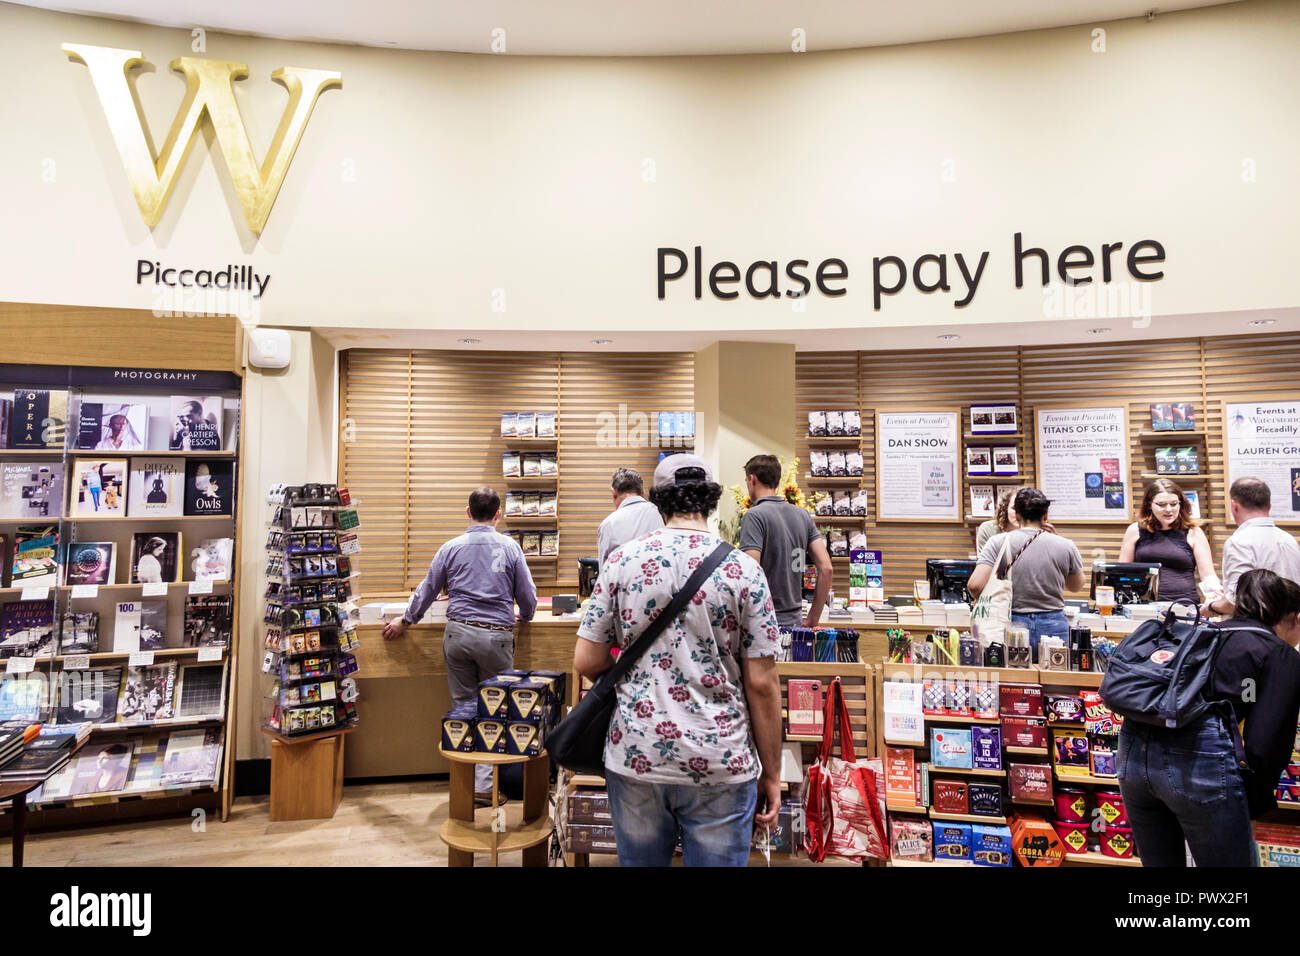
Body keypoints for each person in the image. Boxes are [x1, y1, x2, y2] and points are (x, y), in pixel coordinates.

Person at [573, 453, 782, 867]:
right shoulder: (743, 570)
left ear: (658, 502)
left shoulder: (621, 562)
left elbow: (586, 659)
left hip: (638, 753)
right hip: (722, 757)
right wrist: (772, 774)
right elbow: (762, 683)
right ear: (711, 501)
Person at [1119, 569, 1300, 866]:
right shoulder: (1278, 654)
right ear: (1295, 617)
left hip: (1133, 754)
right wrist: (1252, 801)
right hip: (1197, 762)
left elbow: (1244, 693)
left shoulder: (1206, 634)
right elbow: (1265, 742)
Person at [382, 487, 537, 805]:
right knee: (496, 708)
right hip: (496, 636)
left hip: (458, 635)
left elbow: (427, 590)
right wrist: (527, 615)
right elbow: (528, 597)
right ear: (498, 514)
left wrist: (405, 621)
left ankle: (467, 785)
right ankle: (486, 785)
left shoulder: (450, 548)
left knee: (464, 708)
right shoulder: (510, 548)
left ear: (467, 512)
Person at [968, 488, 1084, 661]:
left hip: (1010, 625)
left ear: (1017, 514)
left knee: (1013, 682)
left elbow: (975, 585)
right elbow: (1076, 586)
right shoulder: (1065, 545)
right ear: (1045, 514)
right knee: (1054, 682)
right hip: (1054, 626)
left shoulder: (998, 542)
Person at [738, 454, 833, 627]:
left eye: (746, 481)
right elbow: (826, 568)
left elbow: (750, 573)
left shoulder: (754, 516)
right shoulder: (803, 515)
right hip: (795, 623)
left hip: (762, 624)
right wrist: (812, 618)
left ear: (752, 479)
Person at [1204, 477, 1300, 617]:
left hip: (1255, 633)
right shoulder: (1289, 540)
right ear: (1269, 506)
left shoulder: (1238, 542)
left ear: (1234, 506)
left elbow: (1237, 602)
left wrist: (1211, 607)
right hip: (1289, 630)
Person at [1118, 479, 1218, 605]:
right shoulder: (1134, 530)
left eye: (1174, 503)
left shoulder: (1194, 532)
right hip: (1143, 606)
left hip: (1184, 605)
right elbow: (1121, 572)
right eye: (1161, 504)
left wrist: (1214, 595)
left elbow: (1208, 575)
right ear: (1150, 504)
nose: (1169, 509)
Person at [596, 467, 663, 565]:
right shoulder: (662, 514)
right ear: (643, 493)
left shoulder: (608, 524)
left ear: (614, 494)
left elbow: (604, 573)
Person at [976, 486, 1019, 553]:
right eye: (1014, 508)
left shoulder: (1035, 532)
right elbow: (985, 561)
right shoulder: (988, 529)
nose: (1018, 513)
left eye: (1023, 509)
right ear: (1005, 508)